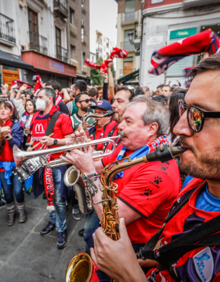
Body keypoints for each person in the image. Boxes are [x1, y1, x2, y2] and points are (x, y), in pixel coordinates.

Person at [89, 53, 220, 282]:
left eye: (197, 115)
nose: (178, 128)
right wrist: (133, 260)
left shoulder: (163, 169)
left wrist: (129, 273)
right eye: (185, 109)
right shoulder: (198, 184)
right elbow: (170, 249)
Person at [61, 95, 181, 269]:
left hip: (131, 247)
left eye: (128, 121)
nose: (120, 125)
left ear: (151, 129)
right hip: (112, 226)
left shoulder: (158, 171)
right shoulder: (128, 147)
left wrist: (87, 171)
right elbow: (99, 166)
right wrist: (83, 152)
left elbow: (111, 220)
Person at [29, 87, 73, 249]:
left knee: (59, 198)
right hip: (42, 162)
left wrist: (55, 142)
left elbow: (70, 140)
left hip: (58, 162)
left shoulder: (62, 117)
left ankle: (61, 229)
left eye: (39, 96)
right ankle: (53, 221)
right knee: (49, 195)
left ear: (49, 99)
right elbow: (34, 139)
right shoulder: (35, 117)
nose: (36, 99)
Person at [0, 100, 25, 226]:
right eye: (0, 108)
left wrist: (7, 135)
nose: (2, 110)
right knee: (7, 192)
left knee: (18, 190)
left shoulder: (16, 126)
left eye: (5, 108)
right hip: (1, 167)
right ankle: (11, 212)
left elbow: (18, 145)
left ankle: (21, 211)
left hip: (16, 165)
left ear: (11, 112)